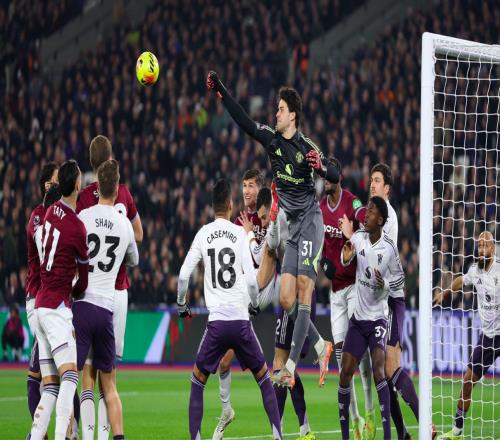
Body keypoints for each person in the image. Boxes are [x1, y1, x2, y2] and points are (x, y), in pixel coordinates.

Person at [207, 71, 337, 387]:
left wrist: (321, 167)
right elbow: (244, 121)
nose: (275, 114)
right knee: (286, 299)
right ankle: (322, 346)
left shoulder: (307, 147)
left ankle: (290, 366)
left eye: (280, 109)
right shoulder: (272, 140)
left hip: (310, 225)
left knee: (303, 289)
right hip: (291, 228)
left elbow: (335, 171)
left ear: (292, 115)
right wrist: (221, 89)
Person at [177, 178, 282, 440]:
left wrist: (182, 304)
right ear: (231, 205)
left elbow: (183, 276)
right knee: (264, 379)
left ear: (213, 206)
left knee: (197, 381)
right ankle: (278, 436)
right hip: (241, 322)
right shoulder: (238, 234)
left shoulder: (203, 233)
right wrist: (254, 304)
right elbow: (251, 281)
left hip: (216, 324)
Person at [76, 135, 143, 437]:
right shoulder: (124, 193)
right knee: (110, 375)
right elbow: (139, 236)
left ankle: (82, 432)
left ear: (91, 162)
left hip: (87, 292)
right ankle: (107, 434)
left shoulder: (83, 200)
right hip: (117, 292)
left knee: (85, 373)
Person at [30, 159, 89, 440]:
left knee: (51, 386)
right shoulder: (77, 227)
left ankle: (35, 436)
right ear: (77, 185)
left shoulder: (49, 211)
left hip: (40, 305)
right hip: (56, 307)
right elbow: (84, 280)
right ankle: (61, 436)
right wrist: (73, 293)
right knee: (71, 376)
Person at [338, 196, 406, 440]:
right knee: (345, 373)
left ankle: (387, 436)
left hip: (378, 319)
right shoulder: (358, 238)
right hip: (358, 320)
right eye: (366, 210)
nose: (366, 215)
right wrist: (346, 256)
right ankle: (346, 436)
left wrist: (384, 284)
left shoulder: (389, 248)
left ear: (381, 220)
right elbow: (345, 259)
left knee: (379, 370)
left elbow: (400, 279)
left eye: (371, 212)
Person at [320, 158, 373, 440]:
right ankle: (355, 419)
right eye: (323, 177)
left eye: (329, 176)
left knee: (358, 355)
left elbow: (363, 215)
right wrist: (321, 263)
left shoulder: (351, 202)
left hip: (355, 287)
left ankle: (370, 410)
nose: (325, 181)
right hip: (335, 293)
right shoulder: (320, 209)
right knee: (342, 361)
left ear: (338, 177)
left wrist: (364, 219)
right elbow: (318, 244)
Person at [214, 169, 268, 438]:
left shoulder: (268, 216)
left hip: (267, 286)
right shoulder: (237, 222)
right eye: (244, 186)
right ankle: (226, 411)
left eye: (251, 186)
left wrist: (250, 235)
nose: (246, 191)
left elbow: (260, 257)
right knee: (225, 363)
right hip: (245, 295)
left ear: (260, 189)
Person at [434, 231, 500, 440]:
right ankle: (457, 432)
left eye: (485, 245)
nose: (481, 249)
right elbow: (461, 280)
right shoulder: (475, 270)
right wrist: (445, 292)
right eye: (479, 245)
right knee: (467, 381)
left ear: (493, 248)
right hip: (488, 338)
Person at [370, 163, 418, 439]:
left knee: (390, 367)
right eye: (371, 180)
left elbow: (377, 256)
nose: (372, 184)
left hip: (391, 297)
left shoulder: (388, 217)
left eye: (377, 180)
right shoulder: (372, 215)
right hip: (377, 299)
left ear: (387, 188)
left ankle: (425, 423)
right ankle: (403, 434)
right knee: (382, 373)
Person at [25, 162, 58, 423]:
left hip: (54, 301)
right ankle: (40, 433)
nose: (58, 185)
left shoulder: (62, 216)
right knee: (43, 372)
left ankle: (65, 432)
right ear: (45, 185)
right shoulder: (38, 216)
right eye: (54, 182)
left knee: (61, 372)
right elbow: (42, 243)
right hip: (38, 299)